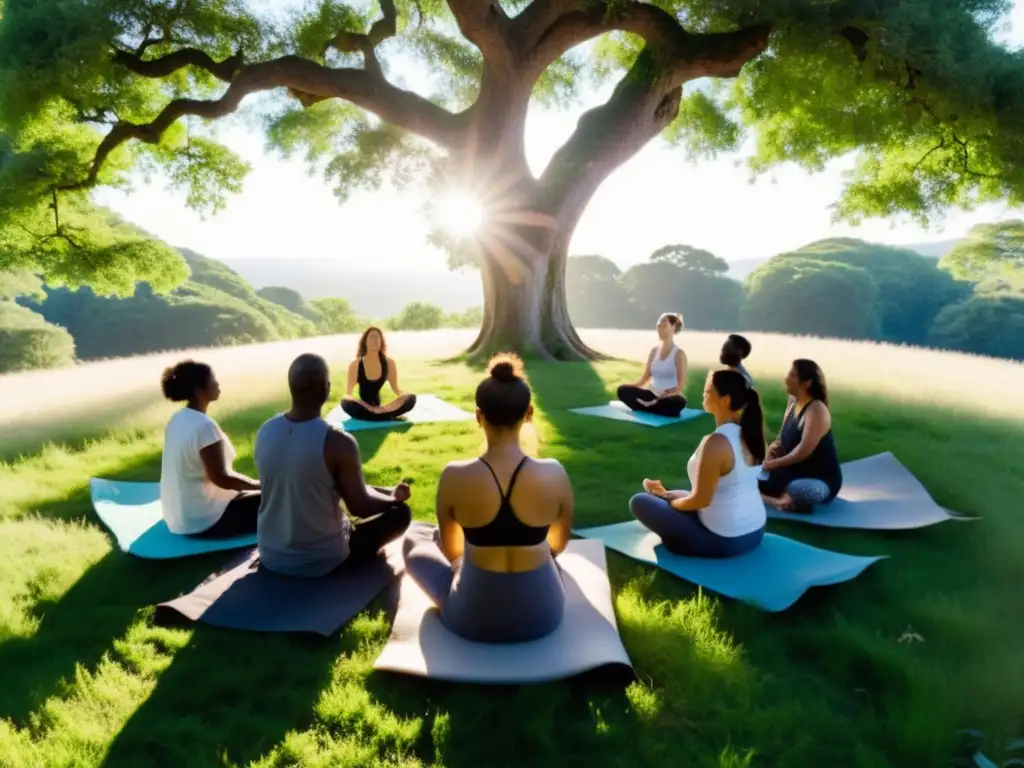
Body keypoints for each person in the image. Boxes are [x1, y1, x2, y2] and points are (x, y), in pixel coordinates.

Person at [402, 353, 574, 643]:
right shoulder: (554, 473)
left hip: (472, 618)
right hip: (543, 616)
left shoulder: (454, 476)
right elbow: (557, 546)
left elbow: (453, 552)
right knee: (544, 556)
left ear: (479, 416)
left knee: (413, 541)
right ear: (529, 413)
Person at [255, 353, 412, 577]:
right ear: (325, 389)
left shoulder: (265, 431)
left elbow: (308, 480)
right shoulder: (338, 442)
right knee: (400, 513)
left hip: (272, 554)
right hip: (322, 558)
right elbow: (360, 506)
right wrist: (393, 500)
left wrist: (386, 491)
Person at [629, 369, 766, 558]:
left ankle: (678, 528)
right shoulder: (751, 435)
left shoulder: (717, 442)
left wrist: (673, 505)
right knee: (675, 494)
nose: (703, 394)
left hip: (725, 541)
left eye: (708, 390)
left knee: (640, 502)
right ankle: (664, 496)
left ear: (725, 400)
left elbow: (700, 500)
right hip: (755, 531)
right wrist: (668, 497)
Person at [159, 361, 262, 538]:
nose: (217, 383)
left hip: (179, 518)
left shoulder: (177, 419)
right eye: (213, 380)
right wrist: (260, 485)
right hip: (205, 522)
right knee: (286, 498)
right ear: (200, 391)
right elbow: (222, 478)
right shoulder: (204, 427)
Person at [759, 359, 843, 514]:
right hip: (793, 470)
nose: (786, 378)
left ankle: (787, 498)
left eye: (792, 375)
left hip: (819, 479)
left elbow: (803, 451)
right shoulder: (793, 401)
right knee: (747, 473)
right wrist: (772, 450)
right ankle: (783, 499)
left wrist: (773, 465)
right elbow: (783, 436)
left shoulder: (817, 410)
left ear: (807, 383)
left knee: (800, 489)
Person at [616, 312, 689, 417]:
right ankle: (653, 406)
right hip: (652, 394)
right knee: (623, 390)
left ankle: (648, 407)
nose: (659, 327)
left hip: (669, 396)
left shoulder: (679, 354)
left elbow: (680, 385)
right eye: (658, 325)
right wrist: (628, 386)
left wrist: (665, 395)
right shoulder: (654, 351)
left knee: (679, 401)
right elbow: (645, 378)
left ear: (673, 327)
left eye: (664, 324)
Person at [340, 327, 417, 422]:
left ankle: (378, 414)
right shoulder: (355, 365)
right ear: (365, 342)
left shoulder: (389, 363)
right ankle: (382, 415)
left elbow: (397, 390)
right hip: (363, 408)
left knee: (411, 398)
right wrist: (364, 405)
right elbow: (348, 394)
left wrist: (404, 397)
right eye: (371, 337)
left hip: (383, 409)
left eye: (377, 337)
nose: (375, 340)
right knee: (345, 401)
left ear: (381, 342)